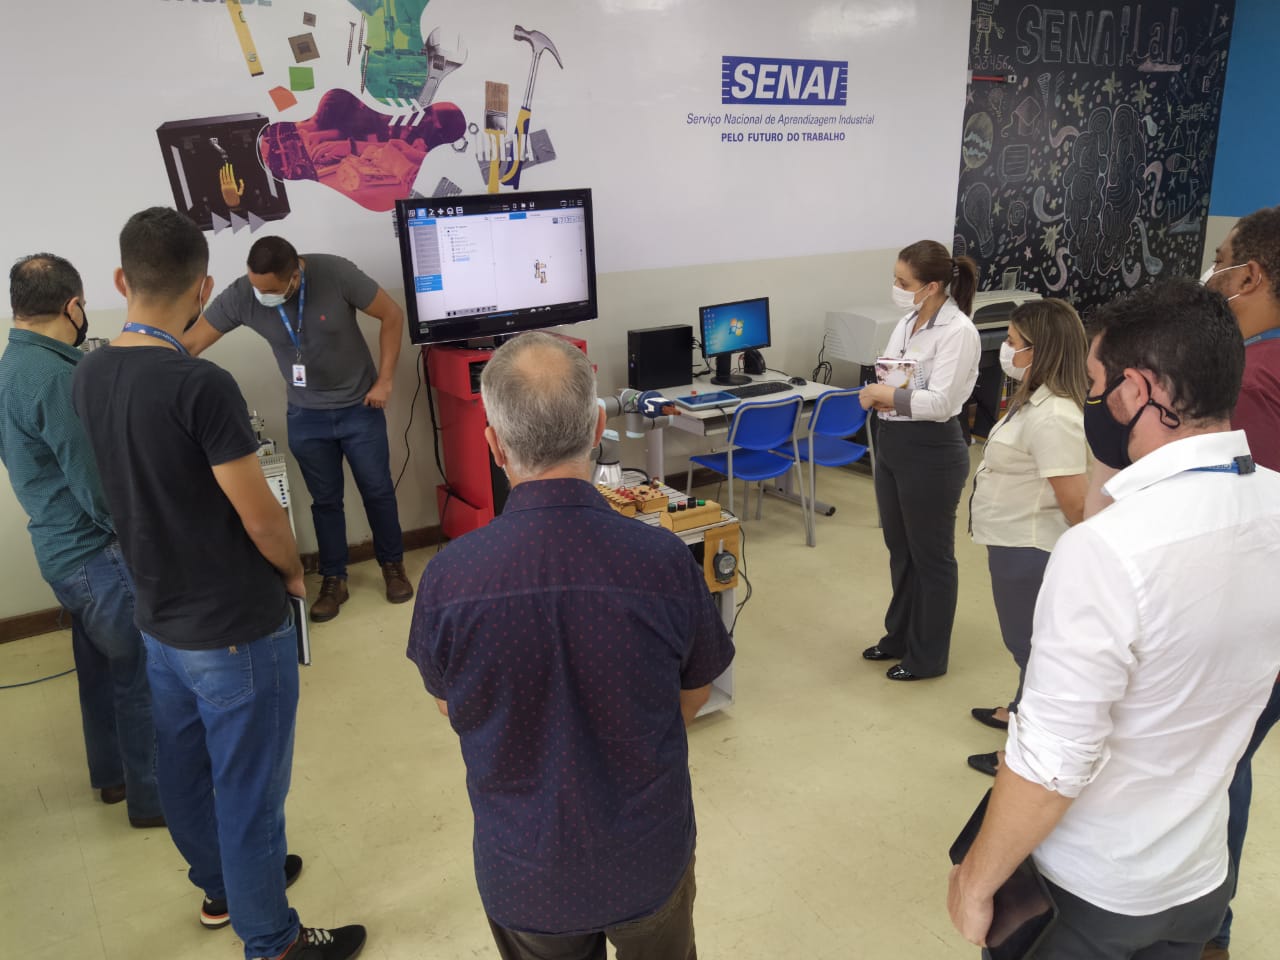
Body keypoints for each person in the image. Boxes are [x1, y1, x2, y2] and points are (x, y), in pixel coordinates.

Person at [948, 278, 1280, 959]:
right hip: (1198, 875)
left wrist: (977, 881)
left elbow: (1053, 762)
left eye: (1097, 386)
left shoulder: (1105, 552)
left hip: (1091, 890)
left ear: (1136, 391)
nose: (1090, 403)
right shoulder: (1272, 503)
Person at [72, 208, 365, 960]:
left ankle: (222, 886)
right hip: (234, 625)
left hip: (157, 616)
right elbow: (262, 518)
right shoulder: (201, 384)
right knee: (250, 789)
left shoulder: (91, 372)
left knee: (184, 766)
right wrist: (294, 572)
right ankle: (274, 940)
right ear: (205, 288)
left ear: (120, 281)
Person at [406, 331, 735, 960]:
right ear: (598, 428)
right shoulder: (662, 561)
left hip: (526, 872)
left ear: (493, 443)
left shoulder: (449, 578)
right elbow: (696, 691)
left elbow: (452, 706)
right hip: (646, 858)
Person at [0, 253, 162, 828]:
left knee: (100, 668)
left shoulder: (12, 365)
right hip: (97, 555)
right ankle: (153, 798)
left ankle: (113, 776)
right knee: (140, 672)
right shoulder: (55, 376)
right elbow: (96, 484)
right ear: (72, 307)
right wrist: (145, 538)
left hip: (58, 549)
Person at [182, 236, 412, 622]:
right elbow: (190, 345)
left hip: (360, 408)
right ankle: (334, 579)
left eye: (270, 290)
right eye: (255, 287)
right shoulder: (244, 294)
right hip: (306, 416)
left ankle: (393, 566)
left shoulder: (335, 273)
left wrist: (385, 380)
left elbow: (392, 314)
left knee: (377, 491)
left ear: (295, 276)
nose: (261, 296)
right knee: (325, 501)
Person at [1199, 205, 1280, 960]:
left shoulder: (1253, 382)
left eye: (1221, 258)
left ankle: (1204, 930)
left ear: (1249, 275)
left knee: (1214, 768)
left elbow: (1239, 519)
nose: (1214, 271)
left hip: (1255, 618)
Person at [965, 299, 1089, 777]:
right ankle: (1019, 711)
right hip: (1011, 540)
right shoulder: (1033, 400)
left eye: (1014, 342)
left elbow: (1075, 503)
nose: (1006, 349)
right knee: (1029, 645)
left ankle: (1025, 755)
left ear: (1040, 351)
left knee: (1031, 649)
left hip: (1030, 548)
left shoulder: (1054, 416)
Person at [858, 240, 981, 680]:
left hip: (932, 451)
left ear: (931, 286)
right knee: (901, 549)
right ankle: (899, 637)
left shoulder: (958, 332)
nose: (896, 287)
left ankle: (927, 657)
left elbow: (941, 402)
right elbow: (896, 375)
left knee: (931, 556)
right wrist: (886, 395)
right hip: (894, 439)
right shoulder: (908, 321)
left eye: (903, 282)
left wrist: (884, 394)